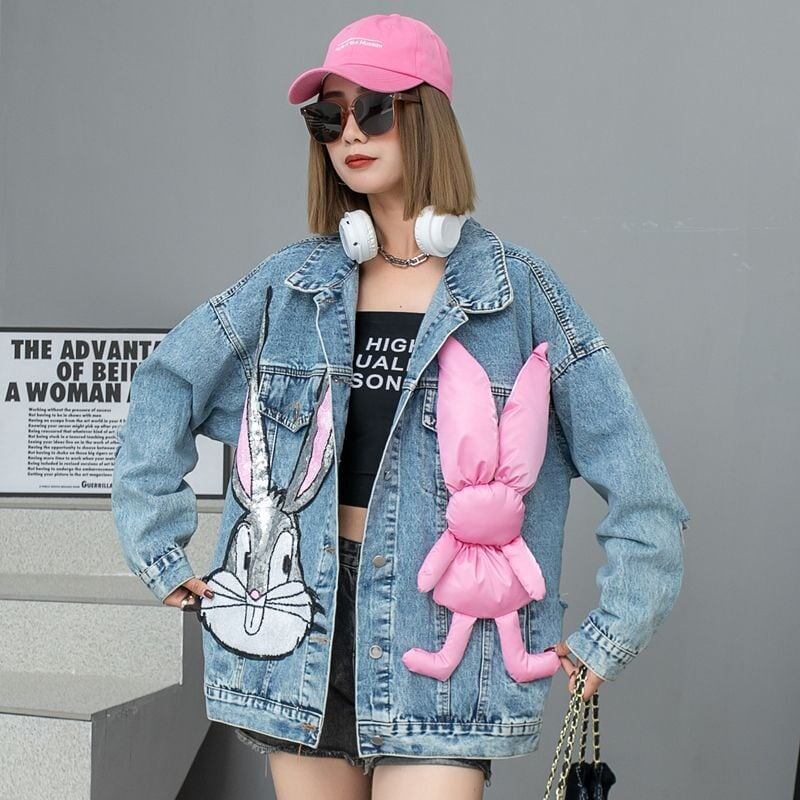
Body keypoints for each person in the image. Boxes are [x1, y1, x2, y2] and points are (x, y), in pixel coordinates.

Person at [112, 12, 690, 800]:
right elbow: (165, 386)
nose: (350, 131)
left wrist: (614, 629)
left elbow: (643, 491)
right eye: (329, 115)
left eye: (375, 108)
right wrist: (158, 548)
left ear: (428, 119)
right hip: (300, 624)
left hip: (444, 637)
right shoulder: (290, 286)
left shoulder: (516, 294)